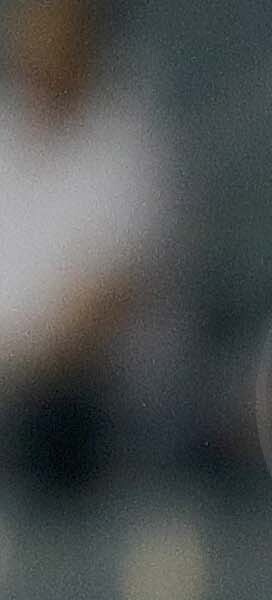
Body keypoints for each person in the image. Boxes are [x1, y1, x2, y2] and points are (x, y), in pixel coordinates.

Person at [0, 0, 173, 496]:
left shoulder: (129, 143)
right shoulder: (7, 132)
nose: (38, 41)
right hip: (15, 383)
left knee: (43, 415)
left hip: (89, 400)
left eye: (56, 24)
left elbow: (97, 315)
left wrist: (15, 368)